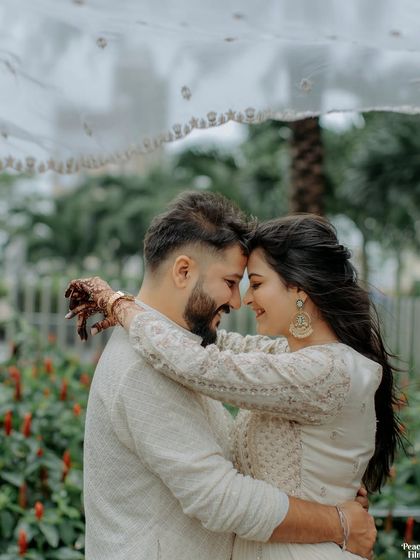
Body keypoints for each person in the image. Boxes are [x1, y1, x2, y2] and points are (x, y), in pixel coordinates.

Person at [66, 192, 377, 560]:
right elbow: (218, 497)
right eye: (231, 281)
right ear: (183, 271)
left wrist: (323, 485)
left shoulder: (186, 349)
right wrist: (337, 520)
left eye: (251, 284)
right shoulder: (144, 366)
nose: (237, 300)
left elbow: (213, 367)